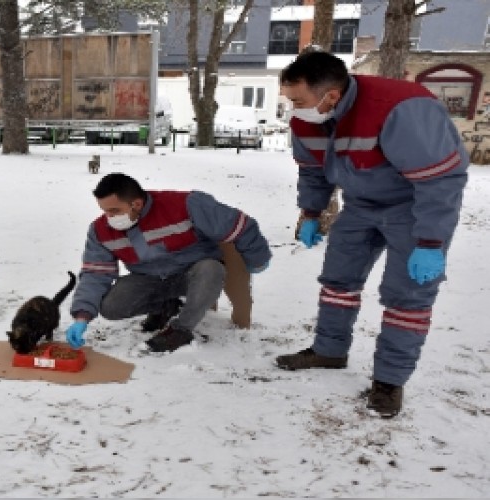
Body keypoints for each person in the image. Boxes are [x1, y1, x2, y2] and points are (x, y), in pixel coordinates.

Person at [274, 51, 469, 418]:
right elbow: (313, 170)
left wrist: (430, 241)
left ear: (330, 95)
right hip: (361, 203)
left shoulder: (402, 108)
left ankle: (389, 381)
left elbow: (440, 179)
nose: (292, 108)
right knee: (338, 279)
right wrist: (310, 212)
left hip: (413, 206)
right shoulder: (308, 119)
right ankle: (329, 350)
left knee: (407, 296)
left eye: (297, 100)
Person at [65, 173, 272, 353]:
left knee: (211, 269)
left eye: (114, 211)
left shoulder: (185, 204)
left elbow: (240, 225)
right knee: (110, 306)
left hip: (192, 273)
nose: (109, 217)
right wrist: (82, 317)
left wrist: (258, 260)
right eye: (105, 211)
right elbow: (95, 273)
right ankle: (166, 307)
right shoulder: (100, 231)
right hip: (149, 279)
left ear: (136, 203)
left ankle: (181, 330)